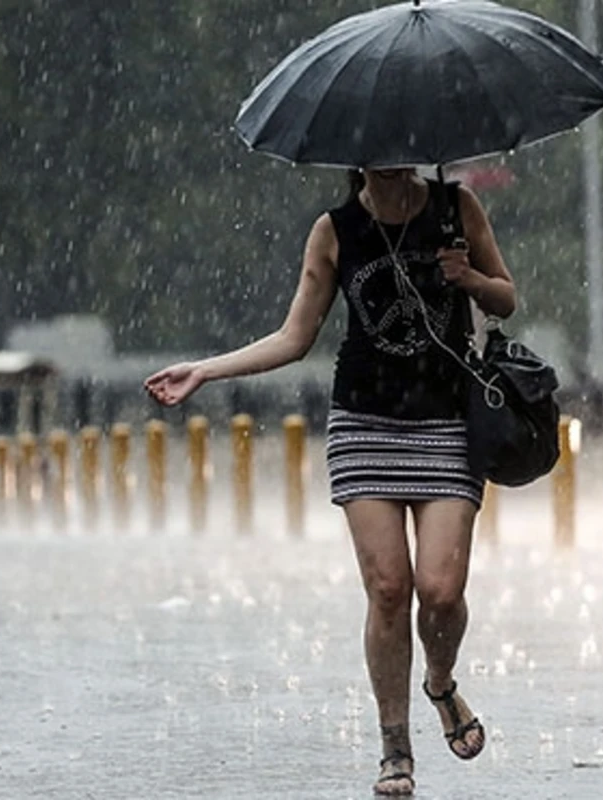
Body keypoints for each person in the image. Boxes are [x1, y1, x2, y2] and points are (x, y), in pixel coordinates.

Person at [144, 168, 517, 796]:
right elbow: (295, 337)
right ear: (355, 156)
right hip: (364, 424)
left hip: (447, 422)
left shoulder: (458, 207)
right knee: (390, 589)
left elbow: (506, 297)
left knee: (443, 591)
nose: (387, 159)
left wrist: (470, 278)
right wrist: (205, 371)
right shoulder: (336, 229)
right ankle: (395, 746)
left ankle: (441, 682)